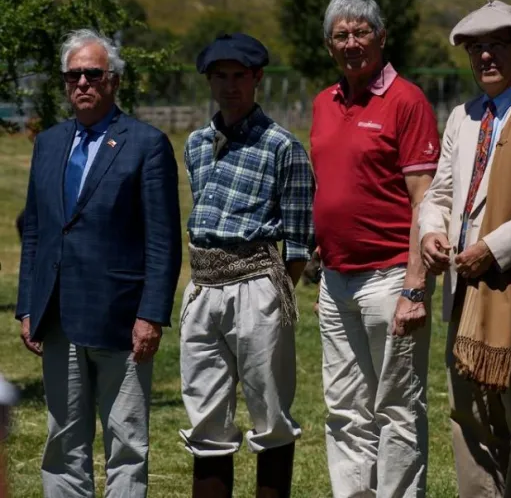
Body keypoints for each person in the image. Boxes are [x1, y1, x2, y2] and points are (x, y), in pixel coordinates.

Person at [16, 29, 182, 498]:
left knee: (126, 443)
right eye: (74, 75)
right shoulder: (48, 144)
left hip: (121, 319)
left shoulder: (146, 144)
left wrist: (151, 314)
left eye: (93, 73)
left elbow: (163, 239)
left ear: (114, 80)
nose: (83, 83)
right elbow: (36, 232)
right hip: (58, 317)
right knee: (63, 441)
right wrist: (29, 304)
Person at [419, 0, 511, 498]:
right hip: (464, 292)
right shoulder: (463, 116)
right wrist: (431, 233)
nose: (485, 57)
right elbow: (438, 193)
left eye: (497, 45)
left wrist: (492, 250)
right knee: (467, 412)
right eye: (476, 48)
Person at [310, 0, 441, 497]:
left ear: (381, 38)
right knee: (345, 410)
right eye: (340, 35)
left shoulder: (406, 101)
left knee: (397, 408)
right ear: (329, 45)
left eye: (360, 32)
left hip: (390, 279)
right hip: (337, 282)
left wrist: (415, 285)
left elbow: (423, 201)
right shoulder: (325, 102)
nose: (351, 43)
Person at [180, 33, 315, 498]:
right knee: (205, 412)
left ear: (257, 78)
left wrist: (270, 290)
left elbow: (298, 240)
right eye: (221, 76)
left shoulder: (283, 147)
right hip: (202, 285)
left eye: (240, 76)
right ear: (209, 80)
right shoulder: (197, 144)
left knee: (270, 413)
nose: (230, 86)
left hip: (257, 283)